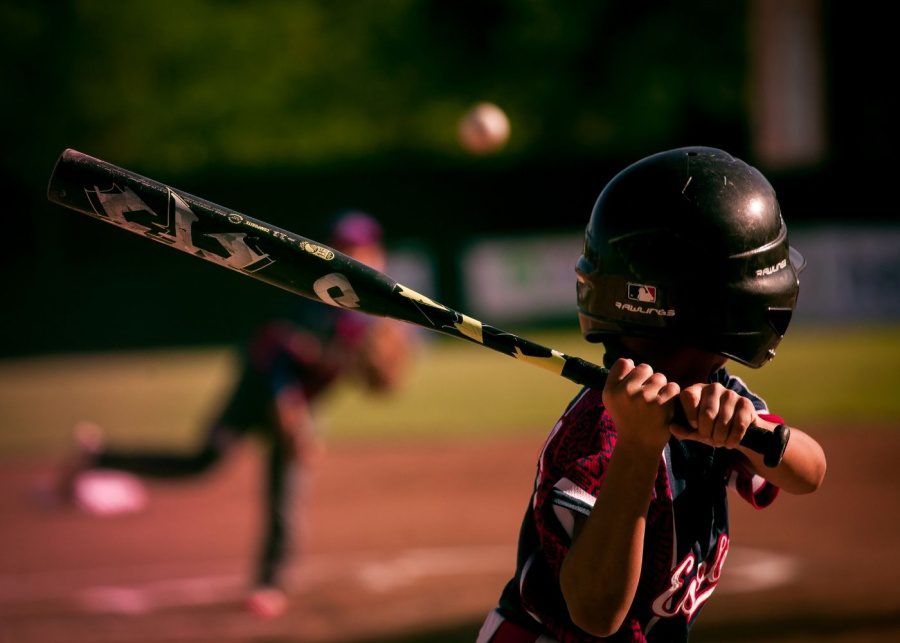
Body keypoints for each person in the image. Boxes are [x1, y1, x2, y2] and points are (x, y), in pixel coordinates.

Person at [476, 147, 827, 642]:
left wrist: (746, 432)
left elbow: (809, 473)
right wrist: (639, 447)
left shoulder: (717, 393)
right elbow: (596, 614)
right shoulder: (595, 435)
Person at [60, 210, 414, 618]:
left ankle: (270, 583)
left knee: (285, 490)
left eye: (365, 247)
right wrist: (289, 407)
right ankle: (102, 457)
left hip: (300, 401)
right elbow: (276, 347)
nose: (358, 254)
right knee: (202, 460)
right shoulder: (315, 296)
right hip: (258, 389)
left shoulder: (374, 310)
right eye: (348, 246)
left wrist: (373, 368)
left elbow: (369, 371)